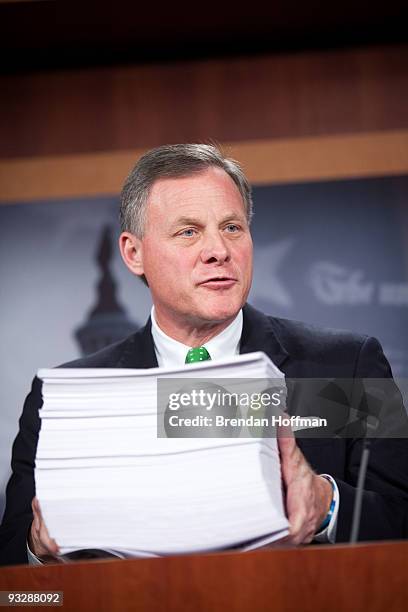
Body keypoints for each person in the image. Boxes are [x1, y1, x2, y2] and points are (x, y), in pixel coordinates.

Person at [0, 143, 407, 566]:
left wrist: (328, 507)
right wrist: (39, 545)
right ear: (133, 253)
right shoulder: (63, 399)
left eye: (232, 227)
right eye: (188, 231)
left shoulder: (351, 365)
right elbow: (11, 569)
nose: (219, 250)